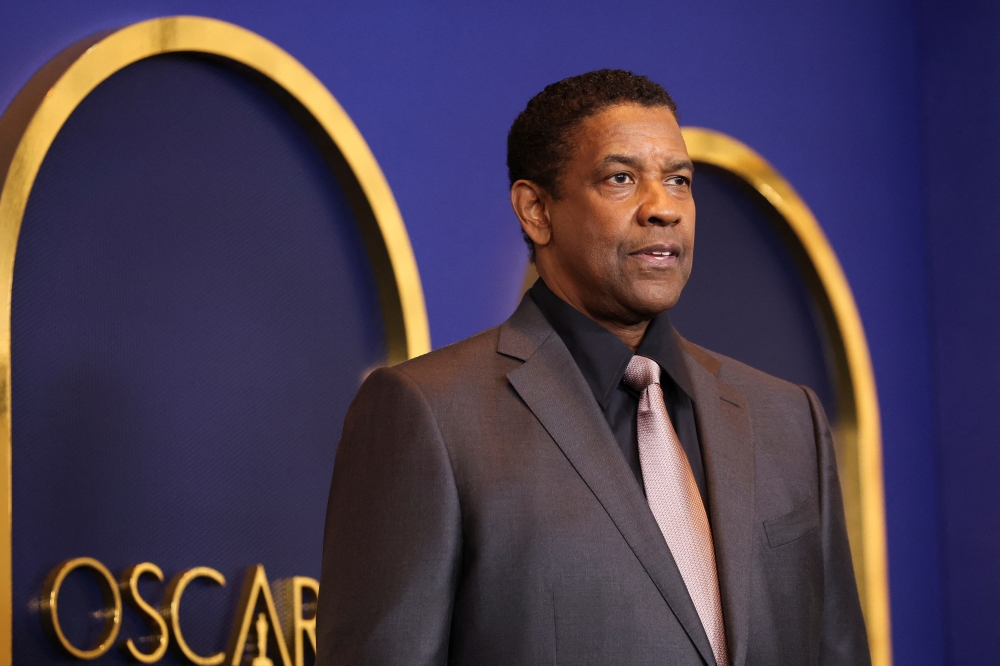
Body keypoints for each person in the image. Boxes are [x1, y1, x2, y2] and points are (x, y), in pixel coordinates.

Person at [316, 69, 870, 665]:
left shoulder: (788, 419)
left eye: (679, 181)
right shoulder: (429, 415)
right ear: (536, 210)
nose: (663, 208)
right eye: (621, 178)